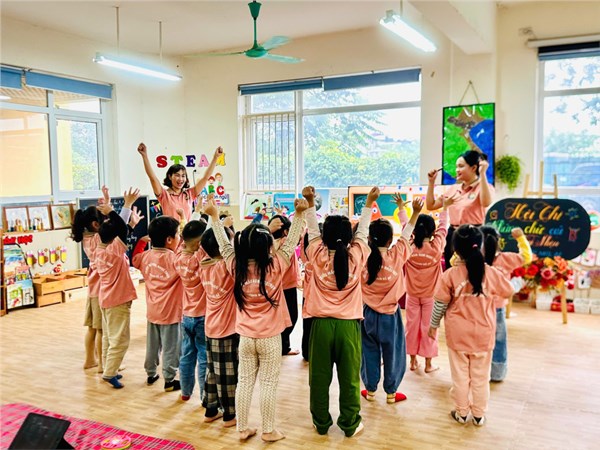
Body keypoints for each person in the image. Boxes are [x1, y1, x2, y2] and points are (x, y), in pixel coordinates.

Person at [204, 196, 308, 442]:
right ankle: (268, 431)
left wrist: (214, 216)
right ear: (268, 247)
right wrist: (299, 214)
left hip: (245, 336)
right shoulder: (277, 264)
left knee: (244, 381)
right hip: (270, 338)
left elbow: (224, 245)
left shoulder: (235, 266)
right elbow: (292, 239)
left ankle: (242, 428)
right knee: (268, 383)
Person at [302, 185, 380, 438]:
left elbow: (312, 229)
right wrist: (368, 202)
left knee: (319, 378)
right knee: (349, 379)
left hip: (320, 327)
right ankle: (350, 423)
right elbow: (364, 230)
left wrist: (310, 201)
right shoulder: (357, 255)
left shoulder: (316, 253)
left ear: (324, 237)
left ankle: (321, 422)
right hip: (348, 327)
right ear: (350, 237)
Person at [428, 225, 514, 426]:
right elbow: (509, 290)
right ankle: (478, 415)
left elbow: (440, 303)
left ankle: (461, 413)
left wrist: (433, 326)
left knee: (460, 377)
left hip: (457, 335)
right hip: (483, 334)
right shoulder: (490, 273)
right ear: (481, 246)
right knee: (481, 378)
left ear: (455, 250)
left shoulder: (450, 274)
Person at [360, 197, 423, 404]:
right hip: (390, 315)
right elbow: (407, 233)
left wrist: (368, 205)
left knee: (369, 352)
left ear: (369, 238)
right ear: (390, 241)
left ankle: (370, 390)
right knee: (393, 353)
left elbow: (360, 233)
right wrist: (414, 212)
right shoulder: (397, 255)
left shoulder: (363, 257)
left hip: (367, 314)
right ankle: (391, 393)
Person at [71, 186, 140, 372]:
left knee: (93, 328)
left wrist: (108, 202)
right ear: (96, 225)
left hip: (95, 289)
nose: (107, 222)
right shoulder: (98, 240)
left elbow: (116, 229)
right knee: (102, 330)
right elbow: (119, 229)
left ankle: (90, 360)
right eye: (104, 220)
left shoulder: (87, 237)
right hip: (102, 290)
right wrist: (126, 206)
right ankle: (103, 364)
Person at [132, 215, 184, 392]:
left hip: (152, 310)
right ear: (169, 239)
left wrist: (141, 242)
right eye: (177, 235)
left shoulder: (146, 257)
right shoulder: (175, 259)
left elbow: (135, 258)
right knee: (171, 347)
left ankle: (151, 373)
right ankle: (169, 379)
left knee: (152, 345)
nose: (179, 238)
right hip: (171, 313)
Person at [402, 194, 451, 373]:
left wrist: (401, 208)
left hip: (412, 295)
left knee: (411, 327)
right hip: (431, 296)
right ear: (432, 232)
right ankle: (429, 364)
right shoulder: (437, 246)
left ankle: (412, 362)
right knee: (429, 328)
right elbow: (444, 228)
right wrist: (445, 207)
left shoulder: (409, 246)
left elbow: (405, 226)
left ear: (414, 231)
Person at [94, 201, 139, 389]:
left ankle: (108, 367)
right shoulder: (113, 252)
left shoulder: (100, 249)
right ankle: (110, 372)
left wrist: (131, 225)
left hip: (106, 299)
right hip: (117, 301)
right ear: (115, 240)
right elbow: (122, 230)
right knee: (120, 339)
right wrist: (113, 211)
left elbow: (121, 231)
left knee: (108, 337)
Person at [426, 150, 494, 269]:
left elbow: (486, 202)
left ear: (473, 168)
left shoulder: (484, 187)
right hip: (453, 235)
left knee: (472, 270)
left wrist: (483, 173)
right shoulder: (453, 189)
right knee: (451, 270)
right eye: (456, 166)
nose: (457, 170)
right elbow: (431, 205)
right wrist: (431, 182)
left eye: (461, 166)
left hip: (474, 234)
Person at [480, 226, 532, 382]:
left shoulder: (474, 259)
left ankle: (478, 370)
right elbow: (527, 256)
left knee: (478, 339)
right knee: (499, 340)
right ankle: (497, 372)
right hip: (498, 308)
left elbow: (454, 261)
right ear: (498, 242)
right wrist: (521, 238)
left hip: (478, 307)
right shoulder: (506, 259)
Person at [199, 226, 238, 427]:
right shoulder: (226, 268)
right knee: (227, 375)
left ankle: (211, 409)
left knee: (213, 371)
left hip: (211, 326)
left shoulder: (203, 264)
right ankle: (229, 415)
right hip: (226, 329)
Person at [137, 142, 223, 221]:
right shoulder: (164, 195)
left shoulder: (189, 194)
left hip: (187, 232)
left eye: (183, 176)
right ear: (170, 176)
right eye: (177, 175)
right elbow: (152, 178)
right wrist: (144, 156)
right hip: (170, 232)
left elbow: (205, 178)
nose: (181, 179)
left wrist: (215, 157)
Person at [174, 219, 208, 402]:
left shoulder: (178, 257)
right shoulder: (199, 259)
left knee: (186, 356)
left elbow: (184, 241)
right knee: (204, 358)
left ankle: (185, 392)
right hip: (203, 316)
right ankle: (204, 397)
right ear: (199, 243)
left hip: (186, 315)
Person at [268, 214, 300, 356]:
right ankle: (282, 346)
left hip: (277, 285)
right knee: (291, 317)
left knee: (284, 317)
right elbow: (295, 236)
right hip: (286, 286)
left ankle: (283, 345)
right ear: (286, 231)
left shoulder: (268, 243)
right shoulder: (285, 242)